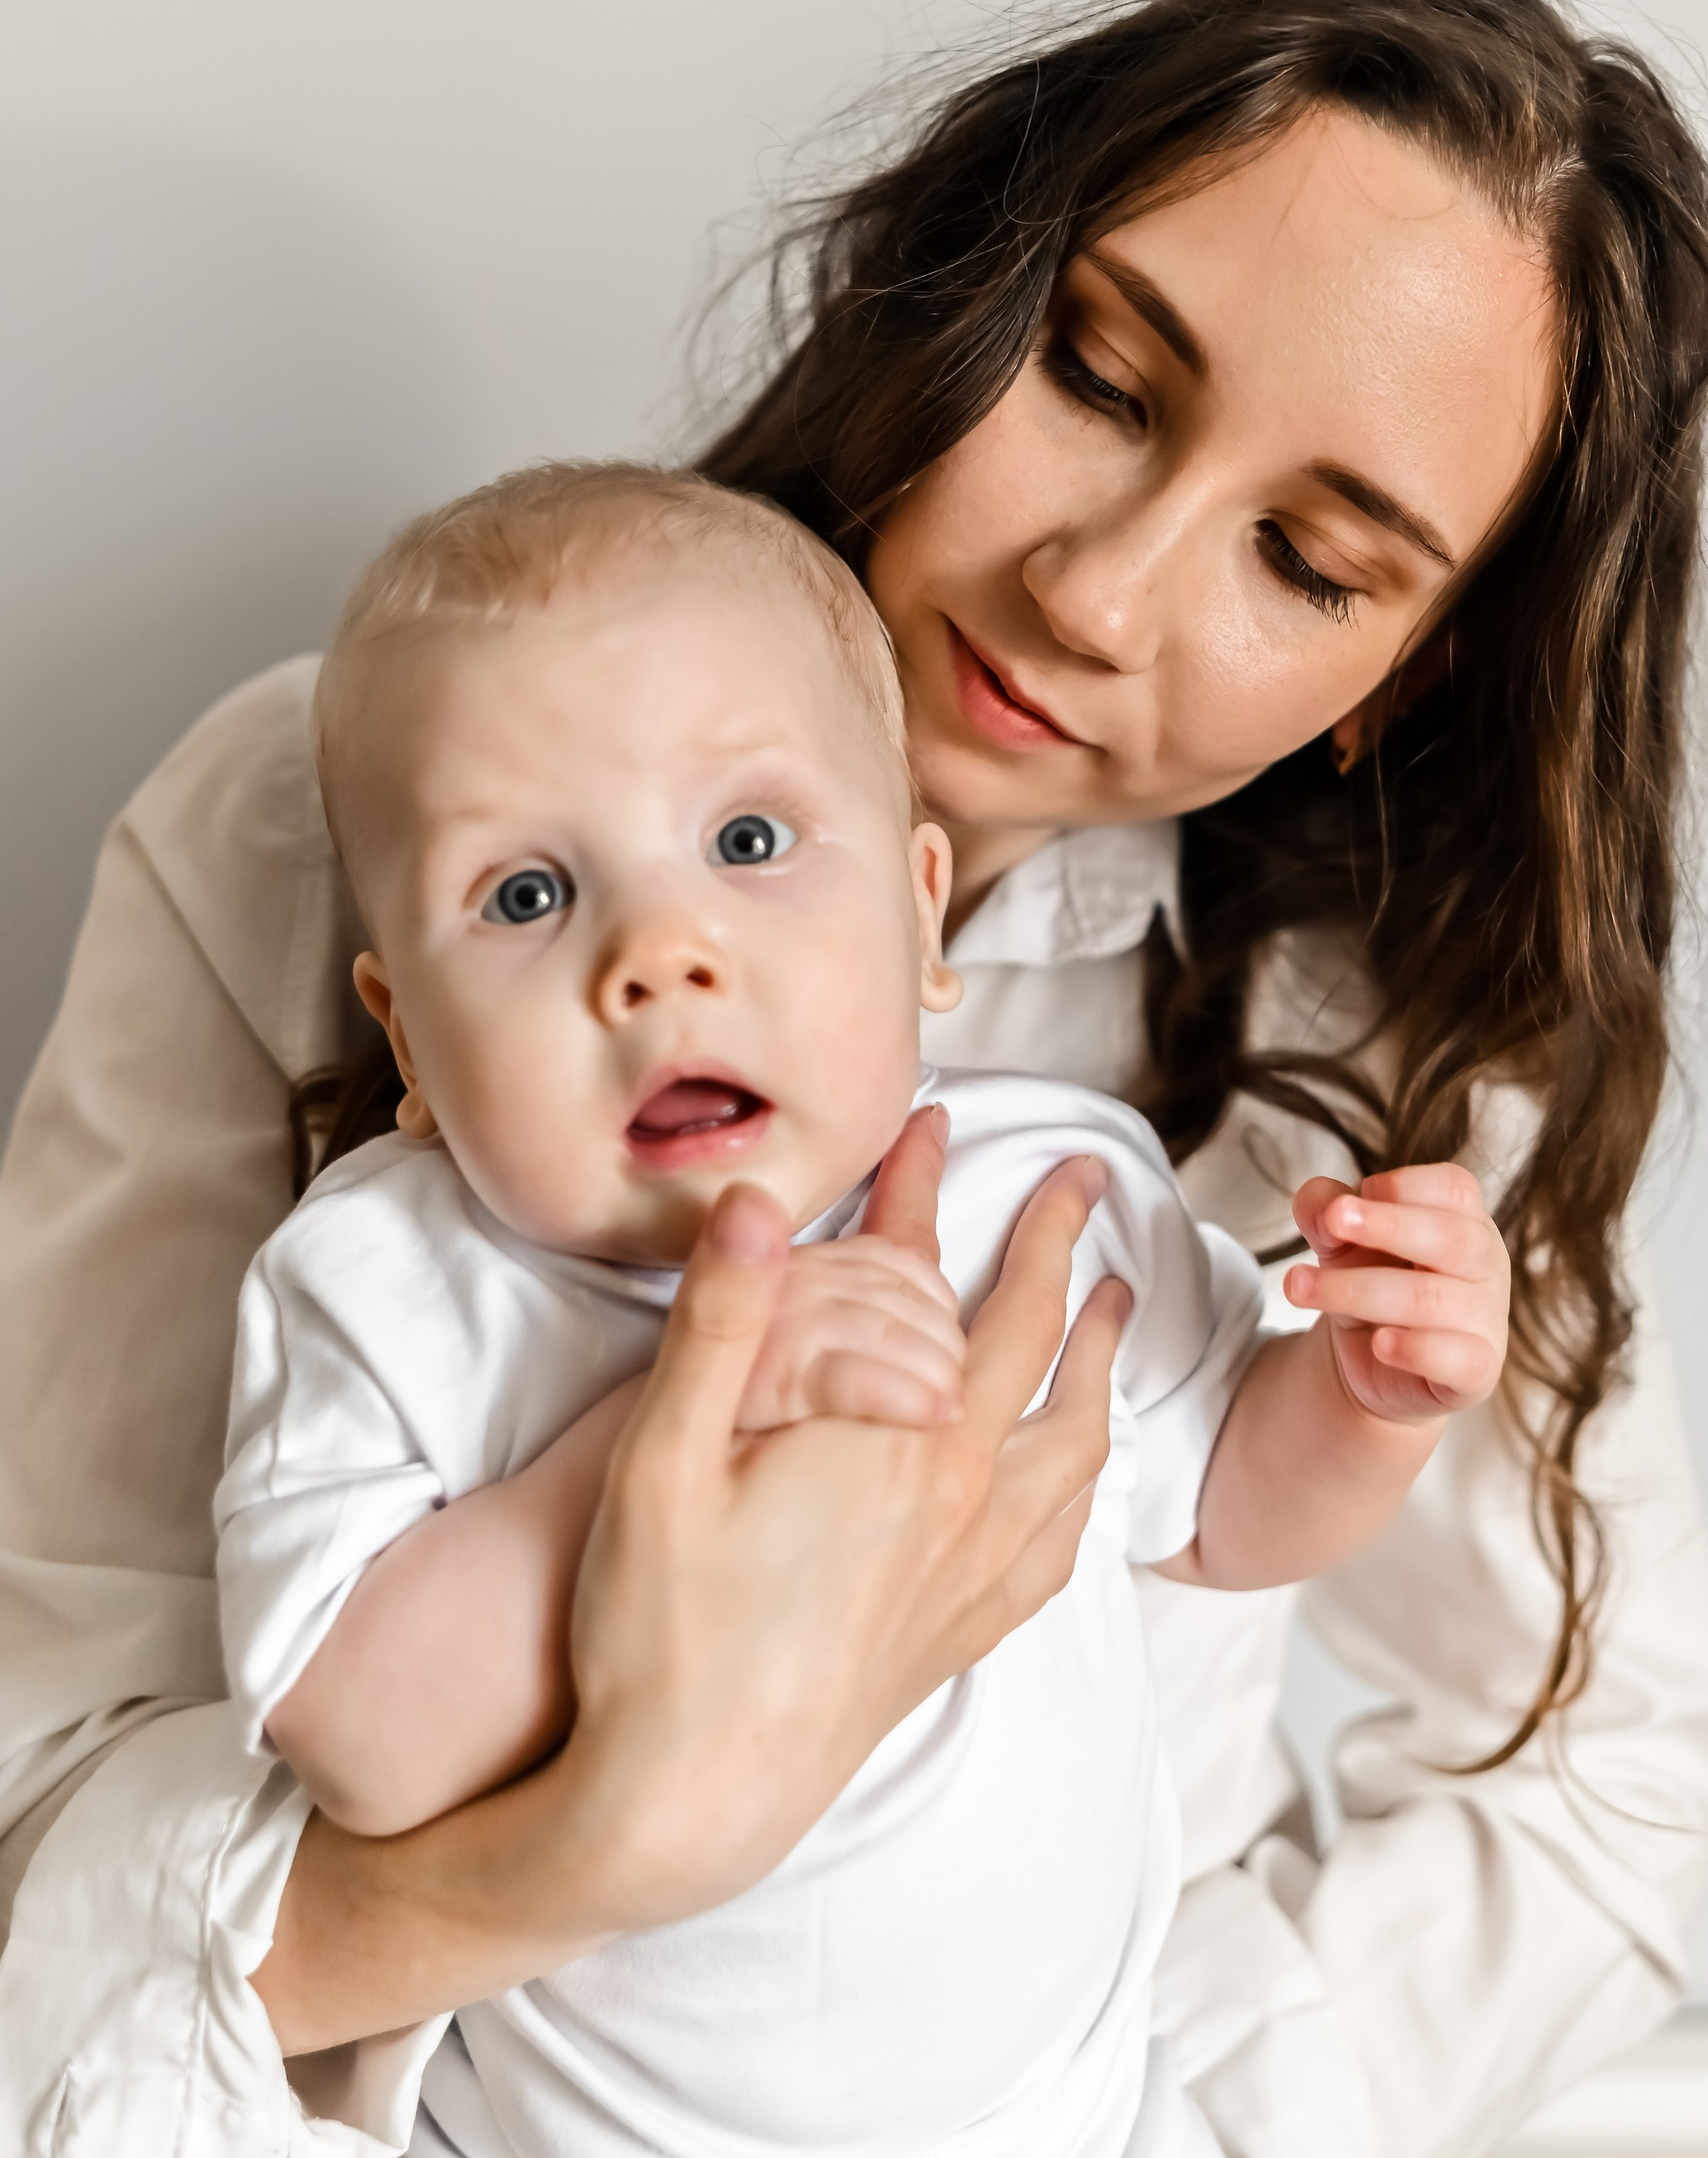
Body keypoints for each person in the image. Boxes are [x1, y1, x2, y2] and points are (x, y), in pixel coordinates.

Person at [0, 0, 1705, 2158]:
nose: (1097, 592)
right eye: (1099, 374)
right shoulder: (323, 837)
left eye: (1305, 555)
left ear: (1408, 671)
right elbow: (51, 1787)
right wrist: (594, 1844)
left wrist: (1191, 2110)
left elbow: (1605, 1757)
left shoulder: (1328, 1077)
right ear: (960, 283)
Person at [211, 460, 1510, 2157]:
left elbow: (1225, 1511)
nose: (658, 954)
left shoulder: (1040, 1191)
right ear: (409, 1039)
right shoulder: (385, 1287)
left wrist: (1365, 1396)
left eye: (747, 840)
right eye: (525, 895)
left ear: (916, 911)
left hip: (1069, 2117)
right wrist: (693, 1411)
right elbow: (362, 1748)